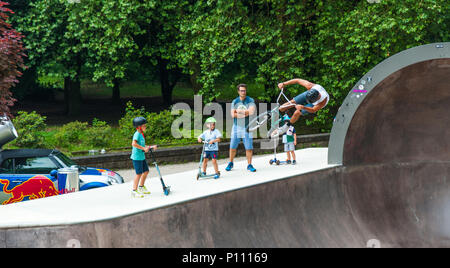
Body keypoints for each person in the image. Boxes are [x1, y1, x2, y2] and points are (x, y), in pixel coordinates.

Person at [226, 83, 257, 172]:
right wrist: (244, 113)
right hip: (236, 127)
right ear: (238, 91)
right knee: (232, 146)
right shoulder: (235, 101)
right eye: (241, 91)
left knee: (249, 147)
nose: (243, 92)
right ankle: (230, 163)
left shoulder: (250, 100)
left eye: (244, 90)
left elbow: (251, 112)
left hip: (247, 127)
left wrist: (238, 111)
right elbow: (232, 115)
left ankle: (249, 165)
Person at [130, 116, 157, 198]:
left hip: (141, 157)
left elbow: (142, 145)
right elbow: (134, 144)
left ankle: (141, 187)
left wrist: (150, 147)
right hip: (137, 157)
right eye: (144, 126)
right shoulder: (137, 134)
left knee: (146, 171)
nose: (145, 127)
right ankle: (134, 191)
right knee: (138, 174)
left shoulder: (141, 134)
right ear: (139, 127)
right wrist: (143, 148)